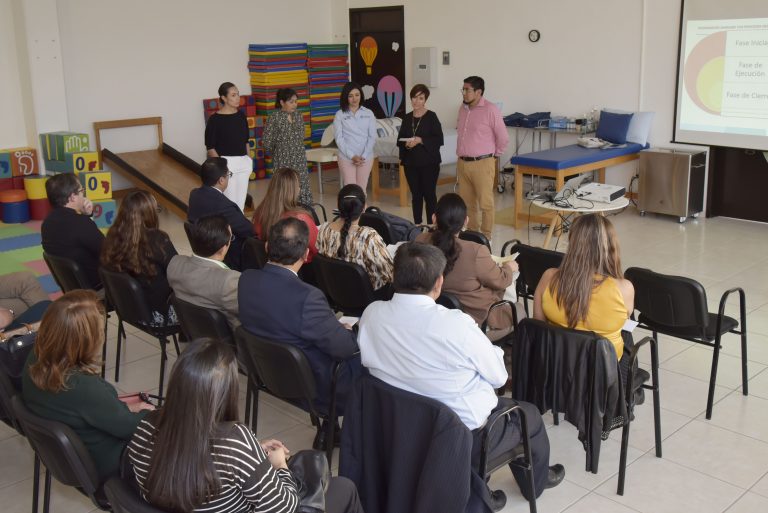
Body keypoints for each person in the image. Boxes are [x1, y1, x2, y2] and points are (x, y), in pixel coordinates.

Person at [358, 243, 564, 507]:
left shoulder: (372, 314)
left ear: (394, 276)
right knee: (528, 415)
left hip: (397, 429)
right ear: (439, 282)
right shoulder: (455, 324)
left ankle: (479, 491)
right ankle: (534, 484)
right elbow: (500, 378)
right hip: (460, 439)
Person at [127, 339, 363, 513]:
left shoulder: (146, 426)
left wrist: (254, 453)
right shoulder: (235, 441)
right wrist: (280, 466)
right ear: (224, 393)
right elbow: (286, 508)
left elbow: (195, 453)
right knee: (344, 488)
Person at [238, 218, 360, 434]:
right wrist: (351, 333)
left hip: (265, 374)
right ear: (306, 255)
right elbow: (345, 349)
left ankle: (330, 431)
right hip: (314, 387)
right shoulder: (307, 298)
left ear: (267, 247)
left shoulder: (246, 280)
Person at [22, 290, 153, 480]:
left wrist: (125, 409)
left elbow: (91, 411)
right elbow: (131, 428)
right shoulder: (83, 387)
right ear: (84, 340)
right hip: (110, 464)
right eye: (99, 331)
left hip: (71, 458)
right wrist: (151, 414)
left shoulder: (35, 358)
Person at [533, 214, 634, 368]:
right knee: (628, 337)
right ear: (610, 246)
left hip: (556, 366)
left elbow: (538, 326)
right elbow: (623, 321)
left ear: (572, 244)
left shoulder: (548, 278)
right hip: (603, 373)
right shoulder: (624, 289)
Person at [416, 193, 517, 330]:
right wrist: (509, 267)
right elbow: (501, 280)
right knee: (520, 311)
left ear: (434, 218)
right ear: (466, 221)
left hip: (435, 316)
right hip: (477, 324)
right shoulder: (475, 251)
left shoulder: (420, 241)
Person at [101, 190, 177, 326]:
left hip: (128, 309)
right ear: (149, 214)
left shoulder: (112, 236)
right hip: (158, 315)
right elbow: (178, 272)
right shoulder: (158, 240)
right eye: (156, 210)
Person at [456, 75, 509, 240]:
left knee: (486, 203)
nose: (464, 93)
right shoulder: (462, 109)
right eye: (463, 89)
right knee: (467, 203)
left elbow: (503, 137)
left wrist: (494, 156)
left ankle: (486, 237)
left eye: (467, 90)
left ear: (478, 92)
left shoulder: (490, 110)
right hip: (463, 163)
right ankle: (472, 234)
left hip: (483, 162)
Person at [167, 215, 241, 331]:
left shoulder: (175, 264)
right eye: (231, 238)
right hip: (229, 342)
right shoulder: (229, 281)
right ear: (223, 248)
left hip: (194, 332)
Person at [316, 184, 393, 293]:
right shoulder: (368, 237)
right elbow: (389, 274)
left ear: (338, 207)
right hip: (368, 296)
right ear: (364, 207)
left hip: (334, 293)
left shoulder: (323, 230)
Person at [188, 157, 255, 270]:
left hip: (201, 247)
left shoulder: (194, 195)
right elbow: (248, 230)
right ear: (221, 180)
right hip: (227, 255)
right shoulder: (223, 205)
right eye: (228, 175)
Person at [41, 173, 105, 289]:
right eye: (81, 190)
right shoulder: (80, 223)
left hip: (72, 287)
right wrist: (87, 218)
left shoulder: (47, 223)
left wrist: (87, 216)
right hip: (97, 287)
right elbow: (109, 250)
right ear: (72, 197)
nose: (84, 194)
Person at [397, 84, 444, 224]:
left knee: (429, 195)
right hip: (411, 163)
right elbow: (399, 139)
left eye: (420, 98)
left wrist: (421, 140)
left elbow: (439, 139)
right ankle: (417, 224)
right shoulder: (406, 118)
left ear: (425, 100)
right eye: (414, 97)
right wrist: (406, 143)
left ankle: (431, 225)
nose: (416, 101)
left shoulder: (431, 116)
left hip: (429, 163)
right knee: (416, 195)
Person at [252, 167, 318, 262]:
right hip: (303, 269)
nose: (299, 189)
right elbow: (317, 248)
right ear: (293, 190)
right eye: (298, 186)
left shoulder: (260, 212)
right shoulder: (300, 218)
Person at [204, 82, 252, 211]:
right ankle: (229, 231)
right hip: (226, 164)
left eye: (238, 94)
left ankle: (239, 231)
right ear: (224, 98)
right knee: (229, 205)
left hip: (243, 162)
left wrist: (249, 160)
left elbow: (246, 141)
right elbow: (210, 147)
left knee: (240, 205)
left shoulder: (241, 116)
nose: (237, 98)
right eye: (233, 95)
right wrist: (222, 168)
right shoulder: (215, 120)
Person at [263, 88, 312, 206]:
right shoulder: (274, 118)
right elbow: (267, 142)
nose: (294, 104)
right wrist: (280, 150)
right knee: (284, 190)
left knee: (302, 186)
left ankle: (304, 214)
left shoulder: (299, 116)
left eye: (296, 101)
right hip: (282, 162)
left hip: (299, 160)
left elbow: (302, 136)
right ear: (281, 102)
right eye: (291, 102)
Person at [333, 81, 377, 191]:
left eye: (357, 95)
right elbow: (339, 138)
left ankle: (361, 208)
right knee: (350, 188)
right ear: (345, 97)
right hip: (346, 157)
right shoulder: (340, 114)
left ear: (361, 95)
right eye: (350, 96)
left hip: (365, 157)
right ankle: (351, 208)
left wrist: (364, 155)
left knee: (362, 189)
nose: (354, 99)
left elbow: (372, 137)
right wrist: (352, 155)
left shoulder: (369, 113)